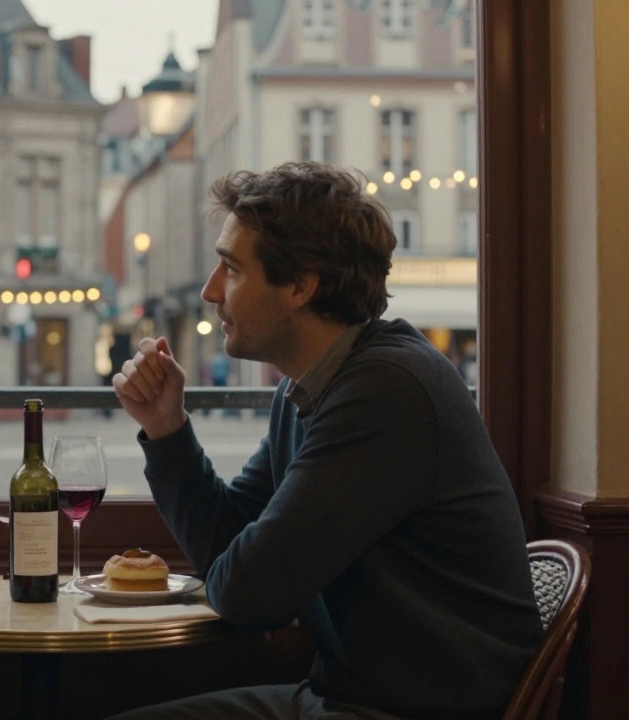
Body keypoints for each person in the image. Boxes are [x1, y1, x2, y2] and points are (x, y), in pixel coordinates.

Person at [109, 162, 542, 720]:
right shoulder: (313, 384)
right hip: (346, 698)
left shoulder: (386, 391)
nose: (210, 290)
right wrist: (167, 430)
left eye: (232, 270)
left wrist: (240, 569)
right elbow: (231, 540)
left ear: (301, 285)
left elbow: (248, 595)